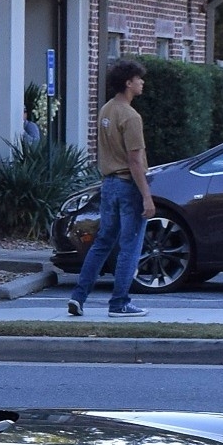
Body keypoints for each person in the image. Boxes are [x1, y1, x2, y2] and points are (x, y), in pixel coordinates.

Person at [69, 60, 152, 317]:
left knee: (103, 242)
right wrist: (147, 197)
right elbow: (135, 160)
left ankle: (78, 297)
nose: (142, 83)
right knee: (130, 245)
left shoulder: (106, 110)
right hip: (128, 185)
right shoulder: (130, 116)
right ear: (128, 83)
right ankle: (119, 303)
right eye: (139, 79)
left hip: (108, 184)